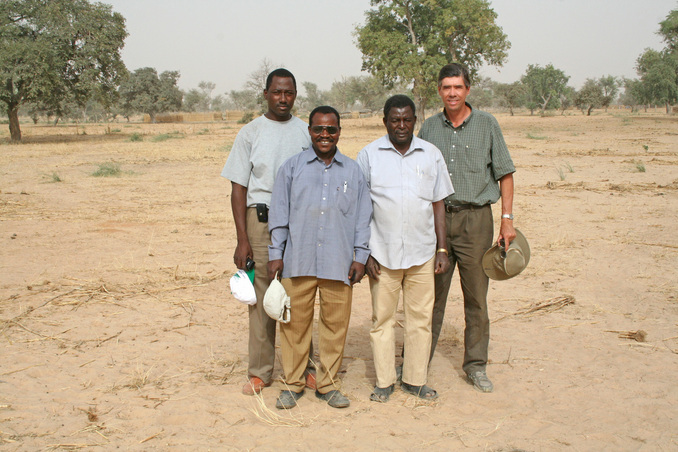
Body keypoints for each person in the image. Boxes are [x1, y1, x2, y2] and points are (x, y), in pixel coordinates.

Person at [419, 63, 517, 393]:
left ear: (468, 90)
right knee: (431, 297)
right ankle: (419, 364)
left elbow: (505, 173)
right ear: (439, 90)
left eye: (457, 87)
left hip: (477, 221)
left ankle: (476, 365)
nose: (452, 93)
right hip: (439, 223)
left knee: (476, 298)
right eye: (446, 87)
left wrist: (507, 220)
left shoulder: (487, 124)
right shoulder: (430, 128)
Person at [268, 106, 372, 410]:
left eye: (331, 129)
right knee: (293, 326)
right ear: (309, 131)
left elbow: (363, 217)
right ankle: (292, 384)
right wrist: (277, 254)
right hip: (297, 260)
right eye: (318, 129)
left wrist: (360, 256)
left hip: (338, 262)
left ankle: (327, 384)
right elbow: (279, 214)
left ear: (339, 131)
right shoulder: (292, 167)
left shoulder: (353, 171)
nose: (324, 135)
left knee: (335, 326)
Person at [221, 68, 315, 396]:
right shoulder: (250, 133)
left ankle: (304, 368)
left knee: (298, 294)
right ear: (266, 94)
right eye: (277, 92)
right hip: (259, 222)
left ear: (295, 95)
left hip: (298, 222)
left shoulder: (306, 132)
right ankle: (260, 371)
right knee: (261, 297)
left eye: (289, 93)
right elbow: (238, 189)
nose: (283, 99)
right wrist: (241, 238)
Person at [357, 95, 454, 403]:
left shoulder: (430, 154)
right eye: (395, 120)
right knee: (382, 321)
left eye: (407, 119)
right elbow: (359, 207)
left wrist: (442, 248)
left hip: (422, 253)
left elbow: (438, 204)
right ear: (385, 121)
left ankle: (414, 380)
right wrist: (365, 251)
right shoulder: (369, 155)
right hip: (381, 255)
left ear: (415, 120)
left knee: (420, 320)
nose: (401, 125)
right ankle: (384, 382)